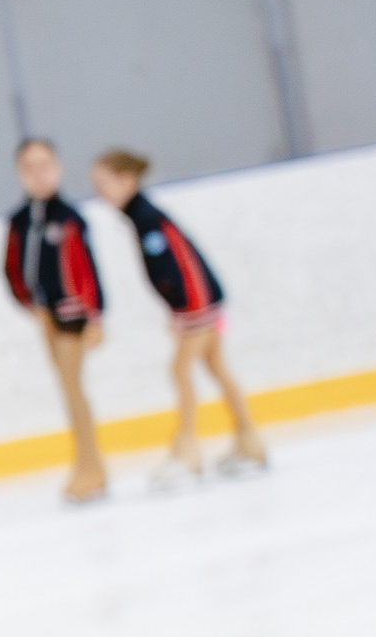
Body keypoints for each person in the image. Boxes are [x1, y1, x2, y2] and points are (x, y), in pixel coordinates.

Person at [89, 149, 268, 485]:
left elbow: (184, 266)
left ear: (127, 180)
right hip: (198, 305)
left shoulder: (148, 218)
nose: (100, 192)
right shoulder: (140, 216)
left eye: (104, 183)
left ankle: (187, 451)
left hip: (199, 306)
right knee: (216, 368)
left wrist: (190, 313)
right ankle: (249, 439)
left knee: (180, 368)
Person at [3, 138, 109, 504]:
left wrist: (95, 316)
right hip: (45, 315)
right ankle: (87, 464)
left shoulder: (68, 218)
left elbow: (87, 271)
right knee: (68, 389)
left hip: (72, 315)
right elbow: (13, 269)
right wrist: (30, 304)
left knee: (74, 389)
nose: (39, 173)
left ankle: (92, 467)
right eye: (30, 167)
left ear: (58, 168)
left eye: (45, 165)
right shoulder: (20, 221)